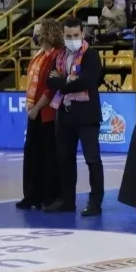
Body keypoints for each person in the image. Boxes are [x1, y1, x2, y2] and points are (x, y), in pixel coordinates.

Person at [45, 17, 104, 217]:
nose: (72, 39)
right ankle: (67, 201)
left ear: (82, 34)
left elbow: (88, 81)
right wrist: (67, 81)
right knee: (65, 159)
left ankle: (95, 202)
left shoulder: (92, 56)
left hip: (86, 116)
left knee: (92, 159)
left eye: (76, 35)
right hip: (65, 114)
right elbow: (49, 81)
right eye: (68, 36)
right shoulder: (59, 56)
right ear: (63, 36)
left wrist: (62, 82)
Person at [17, 19, 63, 210]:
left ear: (48, 33)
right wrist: (31, 106)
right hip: (35, 111)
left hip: (48, 112)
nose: (35, 35)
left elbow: (51, 88)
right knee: (31, 153)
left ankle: (47, 195)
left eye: (38, 31)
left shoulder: (56, 55)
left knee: (47, 154)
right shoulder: (39, 55)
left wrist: (37, 108)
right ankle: (31, 195)